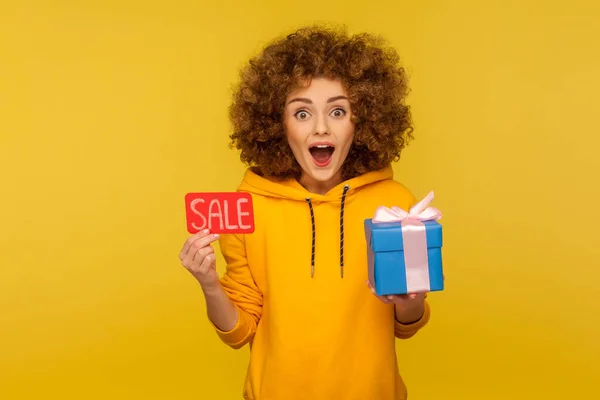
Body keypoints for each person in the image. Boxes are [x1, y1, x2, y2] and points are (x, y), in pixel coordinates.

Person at [179, 25, 431, 400]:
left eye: (338, 111)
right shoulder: (250, 205)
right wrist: (209, 283)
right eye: (301, 113)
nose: (320, 127)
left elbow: (406, 324)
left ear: (360, 122)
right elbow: (239, 331)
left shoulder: (395, 204)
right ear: (277, 124)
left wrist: (411, 302)